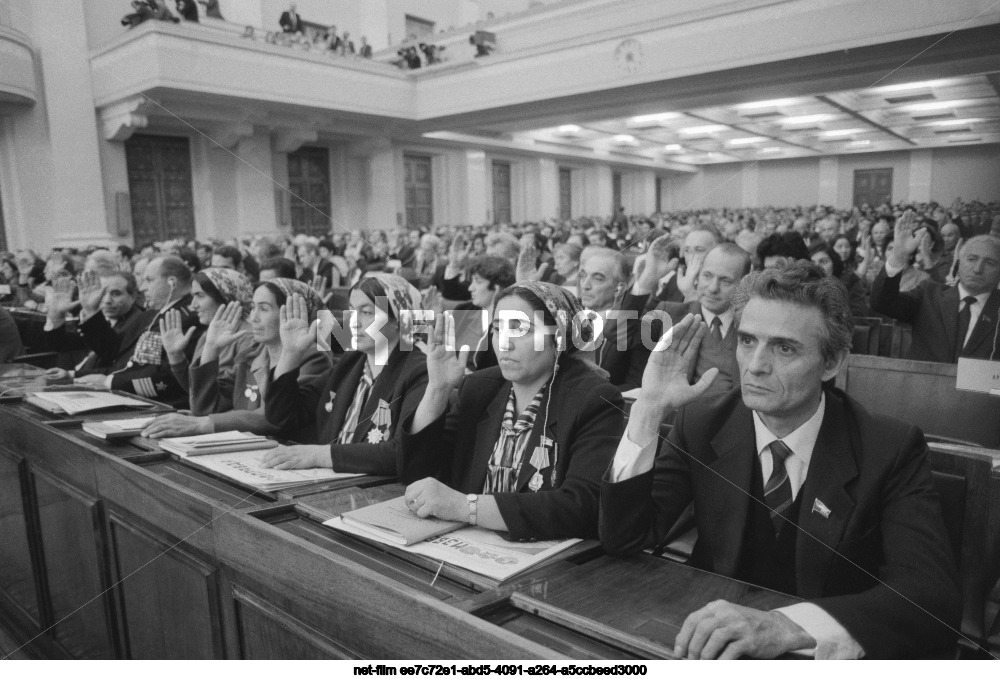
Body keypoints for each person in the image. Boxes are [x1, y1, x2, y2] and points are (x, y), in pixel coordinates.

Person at [600, 262, 959, 659]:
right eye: (748, 341)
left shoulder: (889, 447)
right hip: (711, 646)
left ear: (832, 362)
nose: (755, 365)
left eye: (784, 348)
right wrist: (649, 409)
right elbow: (626, 538)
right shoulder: (702, 423)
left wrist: (791, 625)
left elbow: (931, 601)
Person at [399, 282, 625, 540]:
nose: (504, 344)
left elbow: (581, 505)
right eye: (497, 329)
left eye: (520, 329)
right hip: (467, 544)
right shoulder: (480, 388)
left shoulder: (594, 399)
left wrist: (466, 507)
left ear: (558, 337)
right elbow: (416, 473)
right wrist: (437, 389)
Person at [259, 274, 428, 475]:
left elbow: (399, 453)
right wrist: (290, 353)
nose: (353, 322)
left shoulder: (419, 369)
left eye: (366, 312)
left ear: (399, 320)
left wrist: (318, 455)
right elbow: (282, 417)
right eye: (351, 311)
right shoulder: (351, 361)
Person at [141, 279, 330, 441]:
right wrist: (211, 349)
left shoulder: (313, 357)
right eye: (253, 308)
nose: (253, 317)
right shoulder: (252, 354)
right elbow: (206, 407)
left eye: (264, 309)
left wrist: (204, 423)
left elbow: (276, 418)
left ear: (293, 315)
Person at [871, 212, 1000, 363]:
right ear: (958, 263)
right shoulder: (929, 295)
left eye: (990, 263)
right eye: (972, 259)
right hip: (925, 384)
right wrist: (899, 256)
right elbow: (882, 303)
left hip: (983, 387)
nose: (978, 269)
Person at [76, 257, 201, 407]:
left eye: (148, 280)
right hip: (130, 395)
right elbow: (115, 351)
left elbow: (168, 376)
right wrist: (90, 311)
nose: (142, 288)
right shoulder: (153, 313)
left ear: (172, 282)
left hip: (160, 404)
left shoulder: (187, 317)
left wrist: (109, 382)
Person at [630, 243, 751, 395]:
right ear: (697, 275)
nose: (713, 288)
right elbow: (620, 335)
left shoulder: (752, 327)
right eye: (707, 276)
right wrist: (647, 280)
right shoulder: (670, 314)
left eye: (725, 281)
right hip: (677, 414)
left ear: (743, 283)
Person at [159, 268, 257, 405]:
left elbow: (221, 400)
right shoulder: (207, 335)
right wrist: (175, 355)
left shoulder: (248, 339)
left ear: (226, 297)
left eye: (200, 295)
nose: (193, 305)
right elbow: (197, 391)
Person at [810, 244, 868, 318]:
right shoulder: (806, 286)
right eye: (812, 263)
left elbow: (860, 318)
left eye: (823, 262)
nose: (817, 266)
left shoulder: (849, 283)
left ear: (834, 264)